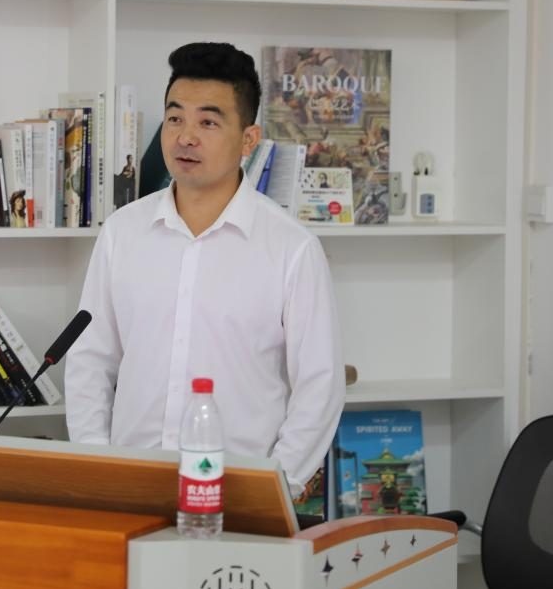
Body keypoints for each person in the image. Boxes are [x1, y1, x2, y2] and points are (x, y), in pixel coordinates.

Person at [65, 42, 345, 496]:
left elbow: (320, 386)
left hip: (240, 492)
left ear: (248, 140)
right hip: (130, 486)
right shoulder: (122, 232)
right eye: (175, 118)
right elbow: (90, 362)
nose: (185, 137)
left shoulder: (292, 248)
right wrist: (98, 466)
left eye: (208, 122)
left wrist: (276, 486)